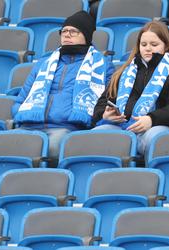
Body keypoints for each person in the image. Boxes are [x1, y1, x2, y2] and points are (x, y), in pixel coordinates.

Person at [12, 10, 114, 166]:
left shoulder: (102, 65)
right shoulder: (43, 63)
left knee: (52, 148)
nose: (67, 35)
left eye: (73, 31)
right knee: (5, 146)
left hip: (65, 128)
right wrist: (22, 114)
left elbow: (104, 102)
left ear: (86, 35)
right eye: (64, 31)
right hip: (29, 125)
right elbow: (21, 100)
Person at [92, 21, 169, 156]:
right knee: (93, 136)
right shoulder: (125, 72)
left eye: (154, 44)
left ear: (166, 46)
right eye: (143, 44)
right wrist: (105, 114)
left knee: (154, 139)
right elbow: (102, 102)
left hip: (156, 127)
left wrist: (152, 119)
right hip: (122, 127)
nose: (147, 48)